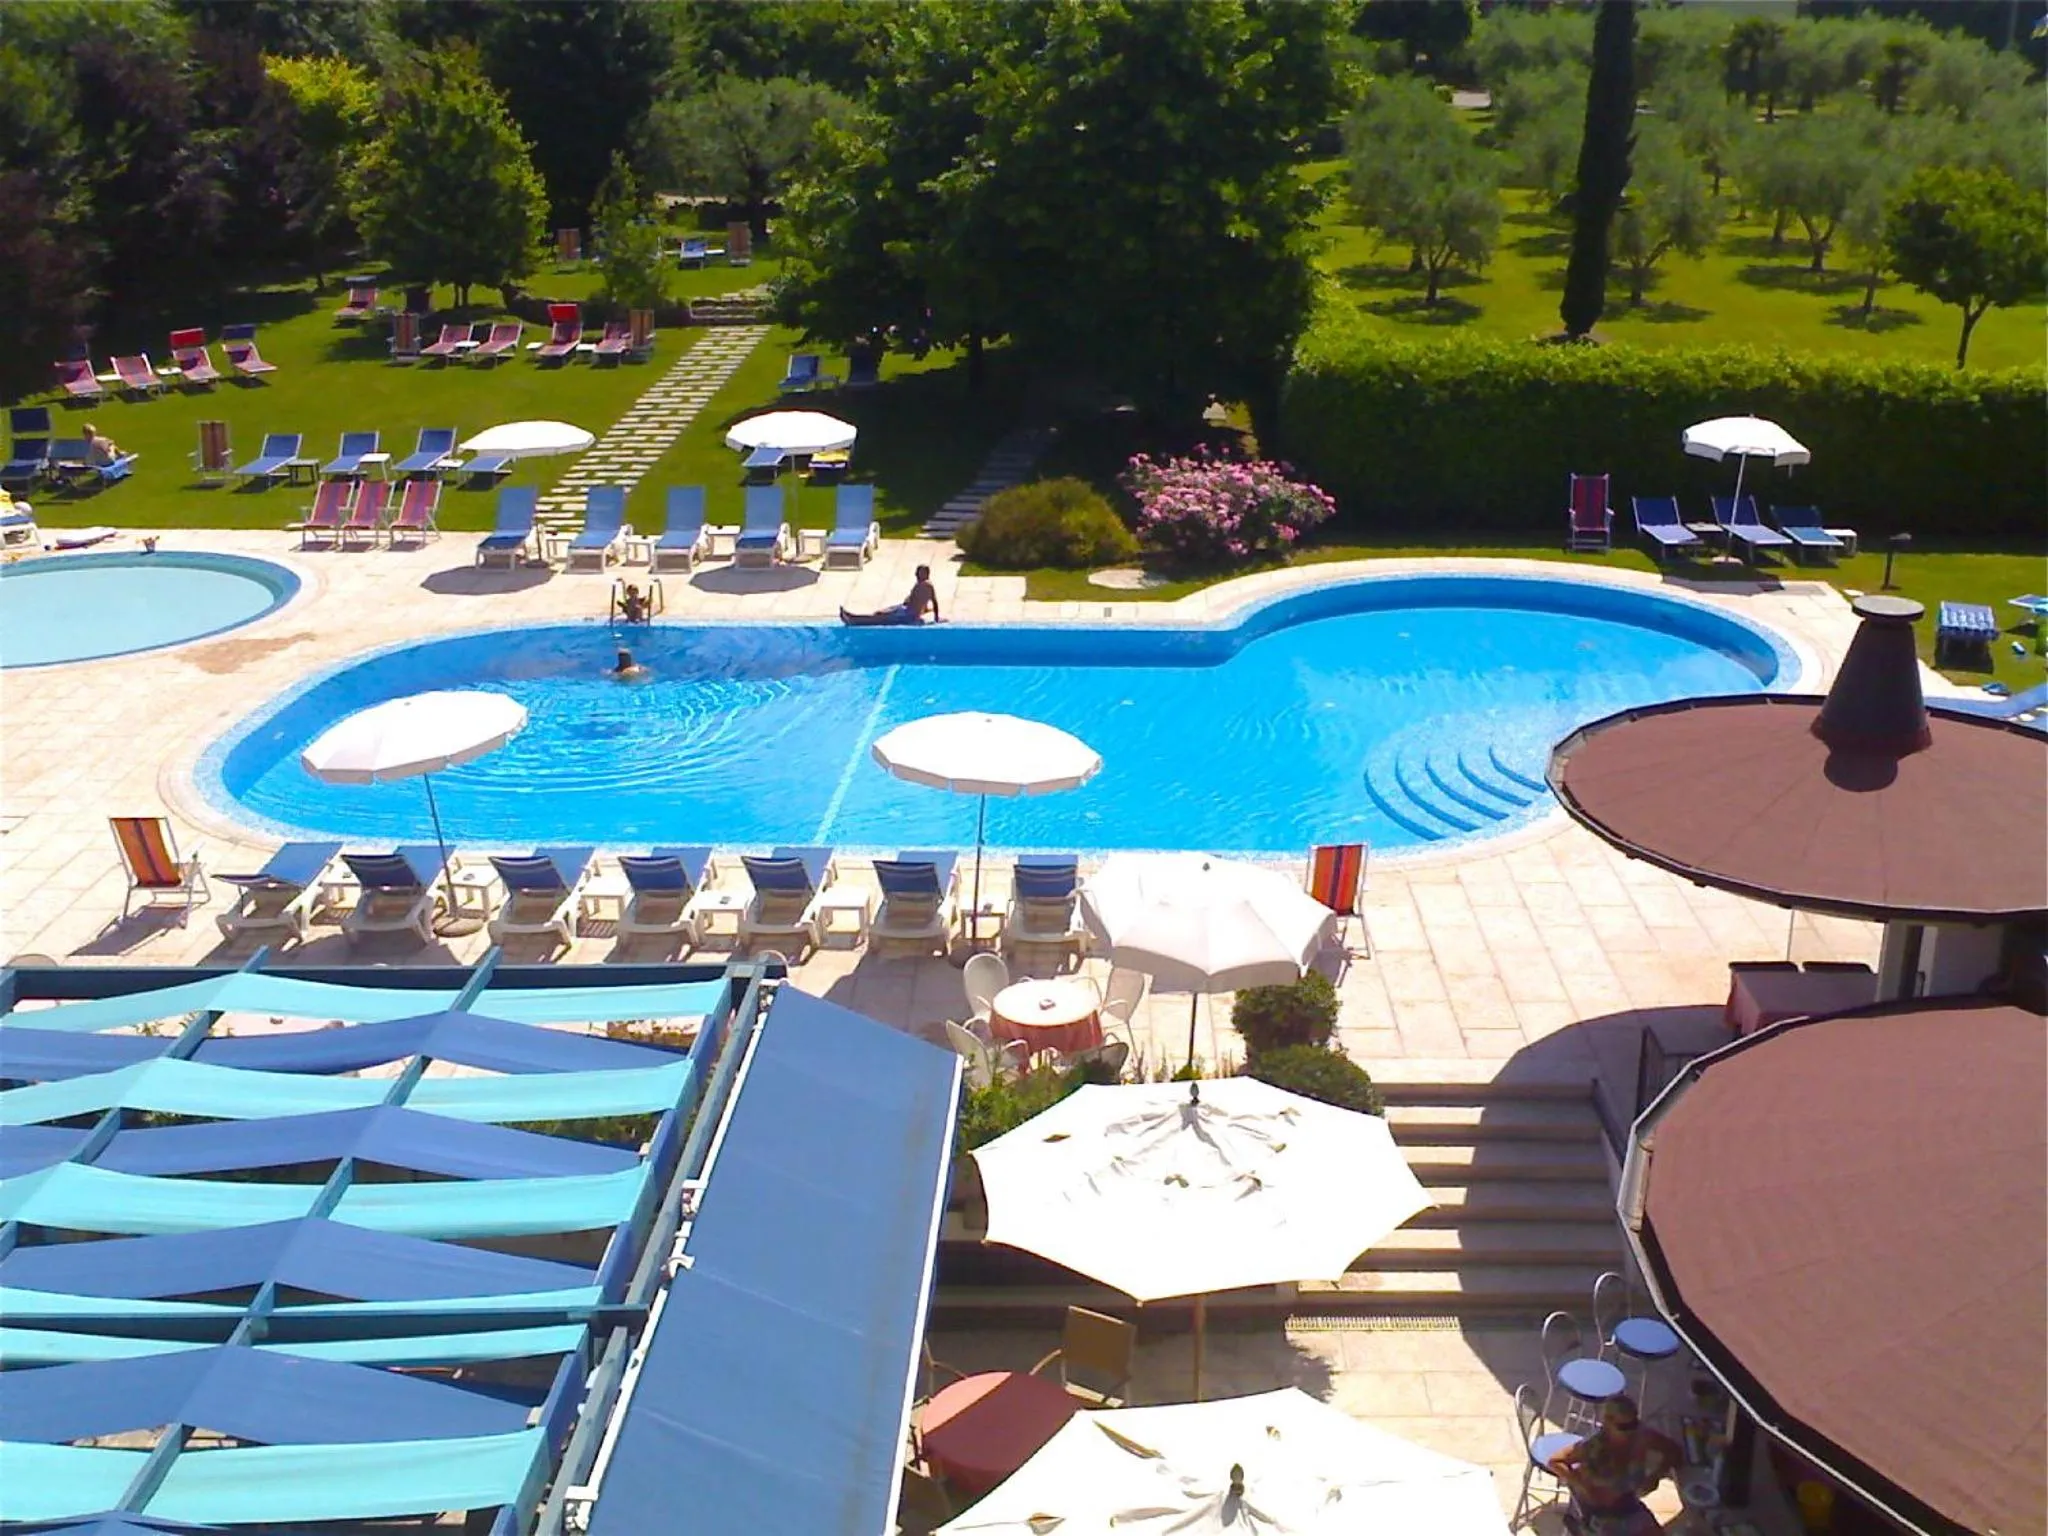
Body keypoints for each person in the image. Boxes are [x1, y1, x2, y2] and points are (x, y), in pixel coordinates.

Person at [1548, 1396, 1683, 1535]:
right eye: (1623, 1427)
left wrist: (1656, 1475)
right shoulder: (1593, 1446)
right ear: (1608, 1422)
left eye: (1633, 1424)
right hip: (1599, 1514)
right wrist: (1581, 1484)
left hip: (1628, 1506)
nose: (1630, 1431)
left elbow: (1673, 1451)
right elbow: (1555, 1460)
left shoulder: (1642, 1436)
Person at [841, 564, 942, 627]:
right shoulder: (924, 585)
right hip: (906, 609)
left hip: (909, 615)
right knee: (880, 613)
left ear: (925, 573)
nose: (915, 574)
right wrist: (934, 615)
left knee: (882, 617)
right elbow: (929, 603)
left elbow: (930, 602)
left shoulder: (924, 585)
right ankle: (854, 619)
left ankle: (855, 620)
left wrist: (935, 617)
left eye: (918, 573)